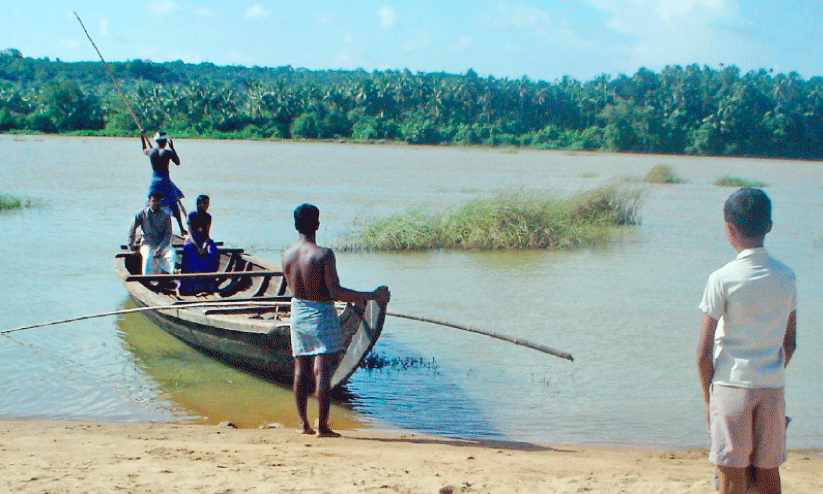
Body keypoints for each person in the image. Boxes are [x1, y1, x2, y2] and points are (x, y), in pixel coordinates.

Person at [696, 188, 797, 494]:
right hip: (771, 386)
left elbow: (703, 353)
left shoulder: (723, 278)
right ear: (769, 225)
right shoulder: (786, 276)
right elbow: (790, 342)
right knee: (768, 473)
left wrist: (707, 398)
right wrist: (770, 368)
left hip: (731, 386)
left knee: (730, 474)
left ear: (730, 228)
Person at [281, 203, 390, 437]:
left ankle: (303, 424)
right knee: (322, 370)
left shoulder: (286, 254)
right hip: (321, 312)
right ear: (317, 225)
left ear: (295, 225)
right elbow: (335, 293)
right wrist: (372, 295)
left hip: (298, 311)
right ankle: (322, 426)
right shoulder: (323, 255)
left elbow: (293, 286)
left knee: (301, 369)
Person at [141, 130, 187, 236]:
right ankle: (181, 228)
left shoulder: (151, 151)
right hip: (164, 180)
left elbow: (144, 150)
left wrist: (142, 138)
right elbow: (178, 162)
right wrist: (173, 148)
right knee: (174, 205)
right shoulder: (167, 152)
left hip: (154, 180)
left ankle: (145, 227)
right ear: (166, 141)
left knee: (150, 204)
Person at [178, 195, 219, 295]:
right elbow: (190, 234)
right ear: (199, 204)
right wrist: (198, 247)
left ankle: (209, 280)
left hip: (203, 240)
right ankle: (186, 281)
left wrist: (204, 246)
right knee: (189, 249)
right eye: (204, 203)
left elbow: (207, 234)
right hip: (193, 240)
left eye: (207, 203)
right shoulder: (192, 215)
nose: (206, 205)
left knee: (212, 252)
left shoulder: (208, 217)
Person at [128, 192, 175, 275]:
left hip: (162, 244)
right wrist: (130, 244)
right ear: (149, 201)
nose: (156, 203)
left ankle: (169, 278)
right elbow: (132, 228)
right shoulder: (142, 213)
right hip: (147, 243)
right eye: (153, 201)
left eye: (158, 201)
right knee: (148, 256)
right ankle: (147, 279)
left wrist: (160, 248)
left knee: (172, 254)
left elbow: (168, 235)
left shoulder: (166, 216)